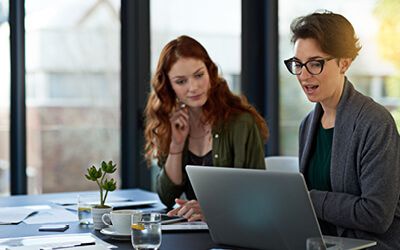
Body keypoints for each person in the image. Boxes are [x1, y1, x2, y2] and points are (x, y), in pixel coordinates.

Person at [284, 11, 400, 249]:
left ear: (344, 63)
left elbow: (376, 214)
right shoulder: (308, 125)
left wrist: (308, 199)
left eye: (315, 64)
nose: (304, 75)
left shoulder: (375, 122)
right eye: (298, 64)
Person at [144, 35, 268, 221]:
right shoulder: (173, 124)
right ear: (169, 86)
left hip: (236, 230)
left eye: (199, 75)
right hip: (192, 231)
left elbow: (258, 197)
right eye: (181, 81)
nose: (193, 87)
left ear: (210, 73)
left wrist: (213, 209)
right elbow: (167, 196)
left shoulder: (242, 122)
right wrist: (176, 145)